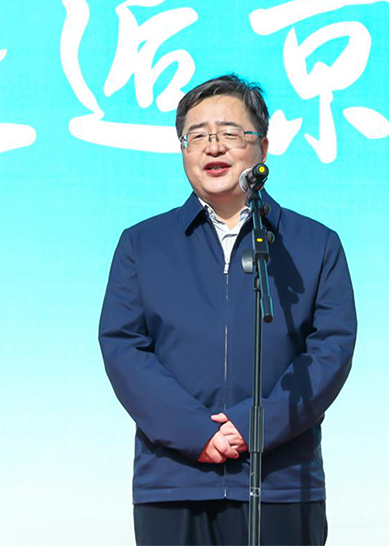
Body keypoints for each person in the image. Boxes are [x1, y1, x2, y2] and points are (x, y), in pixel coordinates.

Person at [99, 74, 357, 545]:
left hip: (280, 482)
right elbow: (124, 349)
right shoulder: (142, 245)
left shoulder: (314, 245)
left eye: (230, 133)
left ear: (263, 146)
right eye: (197, 136)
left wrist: (255, 426)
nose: (213, 147)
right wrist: (195, 432)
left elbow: (330, 352)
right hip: (174, 481)